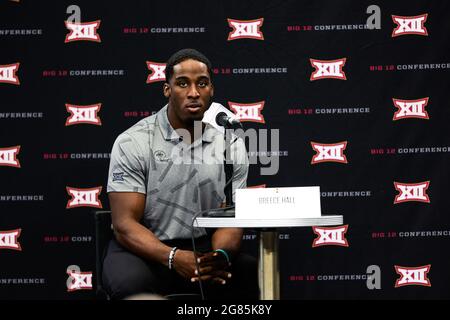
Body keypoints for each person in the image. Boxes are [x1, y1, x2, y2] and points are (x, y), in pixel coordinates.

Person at [103, 48, 259, 300]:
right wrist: (173, 257)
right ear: (167, 90)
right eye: (182, 84)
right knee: (130, 283)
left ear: (212, 90)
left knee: (248, 270)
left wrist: (219, 257)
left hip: (202, 247)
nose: (194, 93)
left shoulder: (231, 144)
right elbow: (124, 225)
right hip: (144, 250)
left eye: (202, 83)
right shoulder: (133, 141)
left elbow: (232, 219)